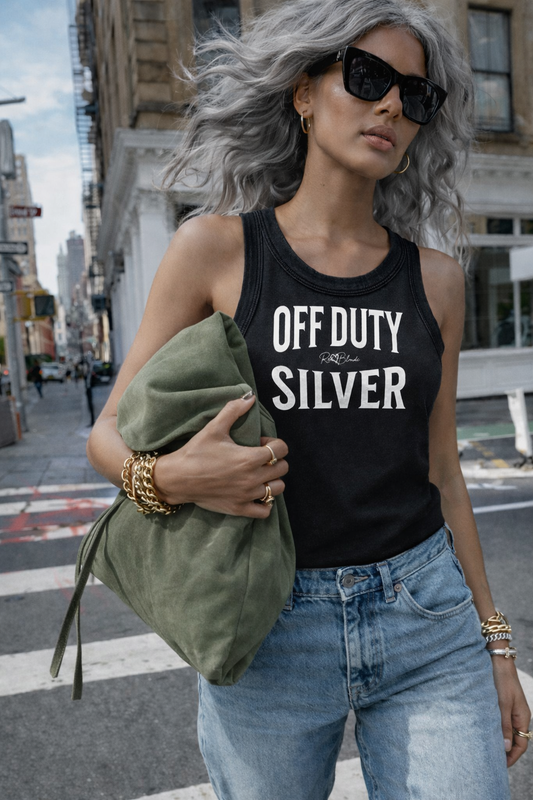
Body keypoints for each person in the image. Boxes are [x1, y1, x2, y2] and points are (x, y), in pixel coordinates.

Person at [87, 0, 531, 797]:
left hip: (424, 616)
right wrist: (176, 479)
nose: (392, 105)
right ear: (303, 92)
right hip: (268, 623)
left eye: (415, 95)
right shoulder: (217, 249)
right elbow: (109, 430)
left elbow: (442, 470)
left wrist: (495, 643)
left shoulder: (434, 279)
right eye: (366, 78)